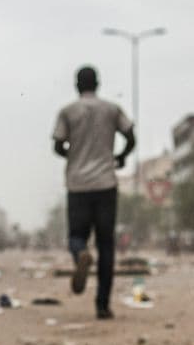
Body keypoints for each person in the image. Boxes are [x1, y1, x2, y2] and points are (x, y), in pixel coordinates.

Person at [52, 66, 135, 319]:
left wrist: (74, 155)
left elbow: (57, 145)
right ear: (97, 84)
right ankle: (102, 305)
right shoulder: (111, 109)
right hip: (106, 183)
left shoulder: (68, 111)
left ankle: (80, 254)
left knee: (76, 235)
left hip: (78, 184)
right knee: (106, 244)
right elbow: (131, 137)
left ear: (77, 85)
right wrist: (119, 158)